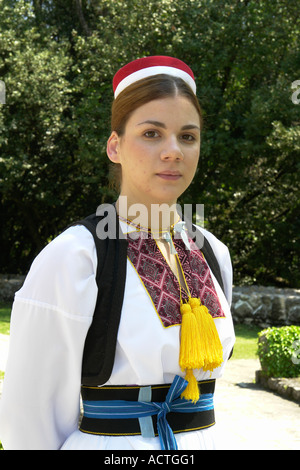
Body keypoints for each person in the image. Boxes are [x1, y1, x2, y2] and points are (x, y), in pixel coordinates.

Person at [0, 56, 235, 450]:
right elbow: (29, 419)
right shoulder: (76, 257)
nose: (173, 151)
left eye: (188, 136)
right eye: (151, 133)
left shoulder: (213, 253)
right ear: (115, 146)